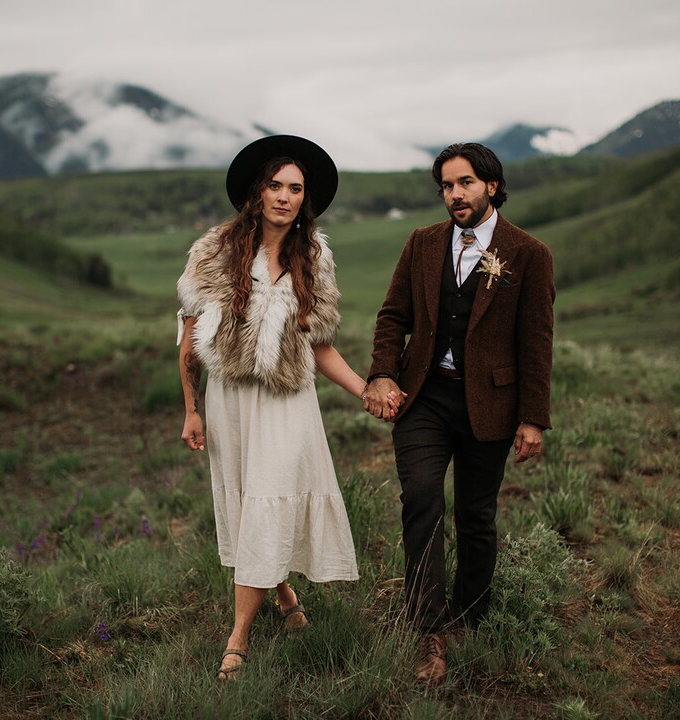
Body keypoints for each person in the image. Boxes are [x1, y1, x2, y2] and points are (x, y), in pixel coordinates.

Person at [176, 135, 389, 681]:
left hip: (288, 400)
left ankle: (238, 637)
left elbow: (320, 347)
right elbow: (190, 340)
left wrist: (365, 389)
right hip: (231, 399)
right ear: (258, 191)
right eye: (275, 185)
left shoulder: (314, 259)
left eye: (295, 189)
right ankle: (285, 594)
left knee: (270, 498)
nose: (285, 197)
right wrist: (192, 410)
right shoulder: (213, 253)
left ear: (304, 199)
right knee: (253, 504)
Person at [363, 142, 555, 685]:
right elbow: (392, 316)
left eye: (465, 182)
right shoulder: (422, 243)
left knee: (475, 516)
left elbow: (536, 341)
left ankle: (469, 618)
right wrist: (383, 372)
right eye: (446, 186)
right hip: (423, 397)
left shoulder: (529, 253)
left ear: (491, 185)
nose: (455, 194)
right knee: (422, 499)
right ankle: (428, 631)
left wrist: (533, 417)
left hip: (489, 404)